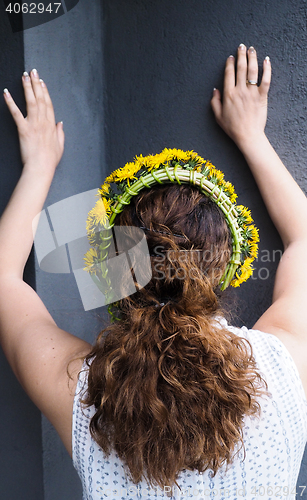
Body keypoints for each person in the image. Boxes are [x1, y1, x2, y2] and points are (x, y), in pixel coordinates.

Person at [0, 43, 306, 500]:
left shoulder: (82, 395)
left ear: (114, 273)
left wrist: (39, 167)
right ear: (223, 268)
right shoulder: (281, 369)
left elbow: (4, 277)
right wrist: (252, 137)